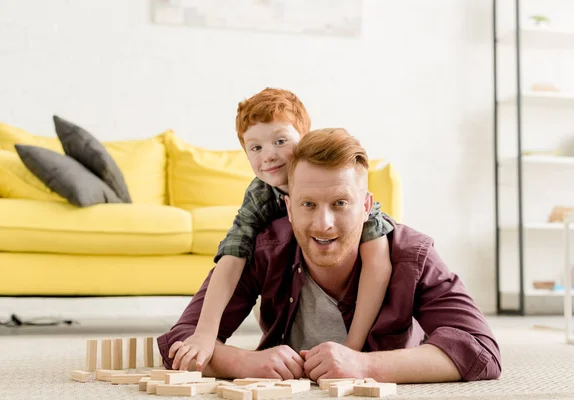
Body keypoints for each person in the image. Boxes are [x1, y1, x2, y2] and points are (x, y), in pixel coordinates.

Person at [158, 128, 502, 383]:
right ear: (289, 208)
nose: (323, 224)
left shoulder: (411, 254)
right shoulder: (265, 248)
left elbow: (481, 351)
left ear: (366, 207)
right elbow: (181, 339)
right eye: (308, 205)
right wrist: (243, 363)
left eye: (340, 203)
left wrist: (364, 366)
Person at [172, 88, 395, 371]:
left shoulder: (339, 179)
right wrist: (205, 334)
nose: (269, 156)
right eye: (256, 148)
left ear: (303, 140)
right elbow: (231, 256)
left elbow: (378, 260)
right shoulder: (260, 195)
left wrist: (353, 348)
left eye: (280, 141)